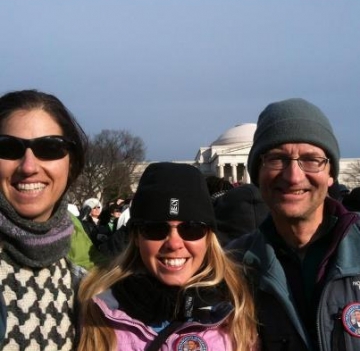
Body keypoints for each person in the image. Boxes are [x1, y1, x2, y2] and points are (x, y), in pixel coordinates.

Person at [78, 162, 258, 351]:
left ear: (208, 237)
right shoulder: (96, 312)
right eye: (155, 229)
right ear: (136, 237)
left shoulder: (239, 309)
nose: (174, 243)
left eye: (191, 228)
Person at [229, 98, 360, 351]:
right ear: (257, 173)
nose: (293, 176)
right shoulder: (232, 267)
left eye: (312, 160)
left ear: (331, 173)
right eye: (277, 159)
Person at [0, 89, 87, 349]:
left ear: (71, 163)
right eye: (8, 147)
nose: (28, 166)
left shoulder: (85, 287)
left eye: (49, 148)